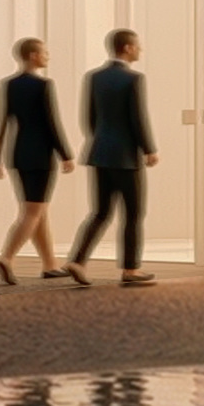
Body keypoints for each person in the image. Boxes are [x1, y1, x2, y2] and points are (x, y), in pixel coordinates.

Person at [67, 27, 157, 287]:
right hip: (126, 156)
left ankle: (77, 260)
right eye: (137, 45)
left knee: (100, 212)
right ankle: (130, 269)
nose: (140, 50)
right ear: (127, 48)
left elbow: (89, 117)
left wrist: (99, 141)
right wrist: (148, 148)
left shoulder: (94, 77)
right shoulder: (133, 79)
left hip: (99, 152)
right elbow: (137, 117)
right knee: (133, 213)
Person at [0, 36, 71, 285]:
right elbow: (52, 122)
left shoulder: (8, 85)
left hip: (17, 152)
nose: (47, 56)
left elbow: (2, 121)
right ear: (33, 55)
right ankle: (6, 258)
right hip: (41, 154)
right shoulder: (44, 85)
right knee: (33, 211)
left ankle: (50, 265)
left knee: (38, 210)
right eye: (44, 52)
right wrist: (65, 154)